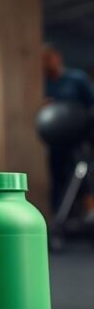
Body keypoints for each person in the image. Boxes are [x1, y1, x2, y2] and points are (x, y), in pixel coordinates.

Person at [42, 45, 94, 209]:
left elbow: (91, 104)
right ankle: (59, 214)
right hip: (57, 139)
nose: (46, 63)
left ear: (57, 57)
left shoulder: (76, 79)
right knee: (58, 177)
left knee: (82, 174)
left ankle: (89, 209)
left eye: (48, 58)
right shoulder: (43, 82)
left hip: (78, 138)